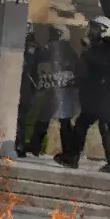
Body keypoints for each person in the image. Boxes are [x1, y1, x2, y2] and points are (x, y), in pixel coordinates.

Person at [55, 16, 110, 174]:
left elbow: (99, 66)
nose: (91, 31)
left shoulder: (106, 50)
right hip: (94, 96)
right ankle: (74, 157)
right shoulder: (97, 48)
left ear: (103, 32)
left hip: (101, 97)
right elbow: (88, 72)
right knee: (83, 124)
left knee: (102, 126)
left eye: (95, 28)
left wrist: (88, 52)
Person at [30, 24, 79, 160]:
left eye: (54, 33)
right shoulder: (62, 49)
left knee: (61, 121)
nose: (51, 35)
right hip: (58, 90)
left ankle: (65, 151)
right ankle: (36, 145)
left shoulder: (62, 49)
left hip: (61, 90)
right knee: (48, 118)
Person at [15, 20, 41, 158]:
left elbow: (28, 67)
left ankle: (20, 145)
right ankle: (19, 144)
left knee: (20, 117)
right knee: (21, 118)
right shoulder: (34, 47)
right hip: (26, 87)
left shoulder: (30, 48)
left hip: (25, 86)